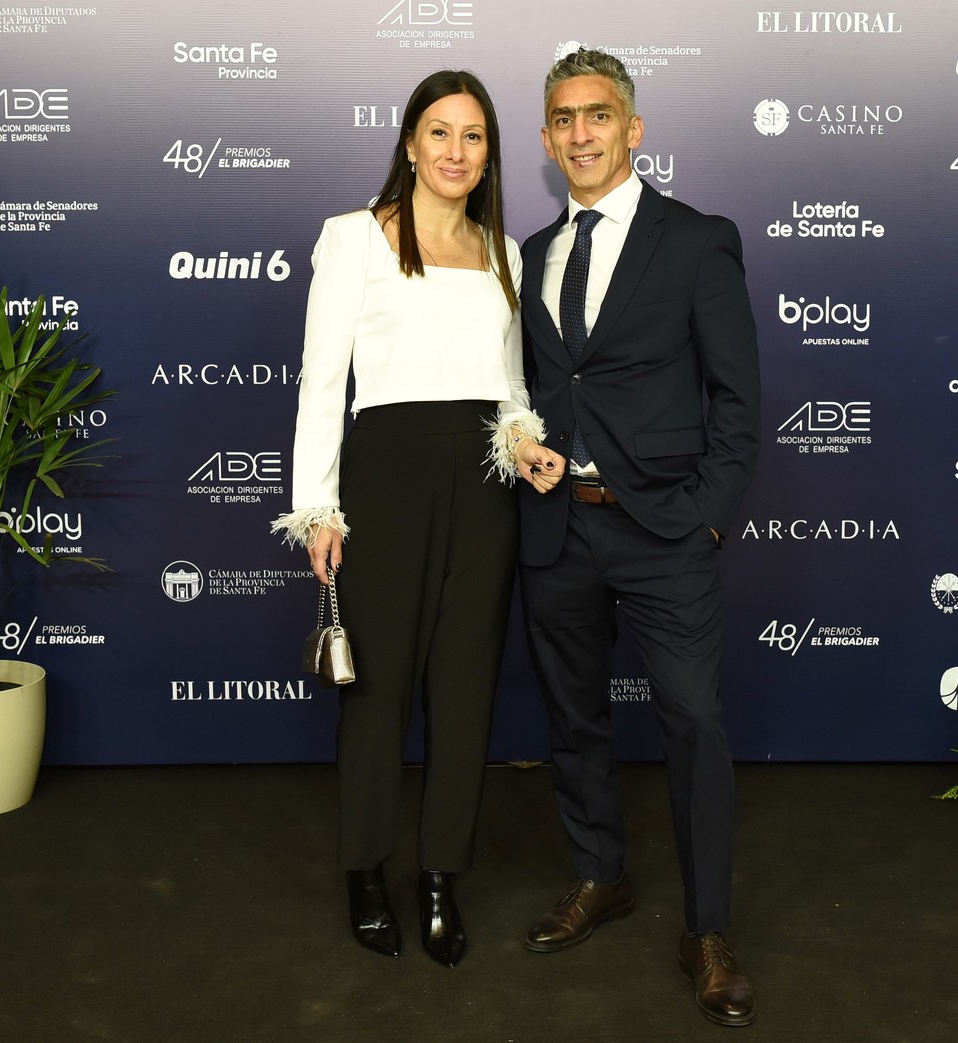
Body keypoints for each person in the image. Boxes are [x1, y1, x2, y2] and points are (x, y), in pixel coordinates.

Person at [271, 69, 563, 969]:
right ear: (408, 142)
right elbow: (324, 379)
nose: (455, 152)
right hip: (386, 481)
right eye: (439, 133)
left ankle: (440, 876)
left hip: (483, 491)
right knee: (377, 692)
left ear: (489, 154)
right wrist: (316, 505)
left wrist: (525, 443)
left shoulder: (505, 251)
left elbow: (512, 388)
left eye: (473, 137)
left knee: (465, 689)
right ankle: (366, 869)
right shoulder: (353, 238)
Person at [510, 48, 762, 1026]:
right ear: (544, 138)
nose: (580, 133)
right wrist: (521, 444)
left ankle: (706, 929)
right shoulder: (526, 256)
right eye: (563, 119)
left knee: (693, 722)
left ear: (632, 128)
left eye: (598, 115)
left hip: (663, 530)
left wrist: (702, 512)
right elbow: (529, 392)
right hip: (555, 529)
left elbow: (737, 399)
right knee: (572, 721)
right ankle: (599, 874)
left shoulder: (697, 241)